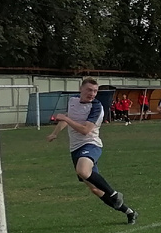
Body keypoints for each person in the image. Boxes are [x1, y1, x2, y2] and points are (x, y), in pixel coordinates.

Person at [47, 77, 137, 224]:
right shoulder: (73, 100)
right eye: (89, 90)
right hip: (75, 149)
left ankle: (114, 194)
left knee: (82, 171)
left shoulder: (96, 107)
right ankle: (129, 212)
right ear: (80, 89)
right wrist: (55, 133)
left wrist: (65, 118)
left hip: (91, 144)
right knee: (95, 189)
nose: (92, 93)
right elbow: (68, 117)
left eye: (95, 91)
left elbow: (85, 130)